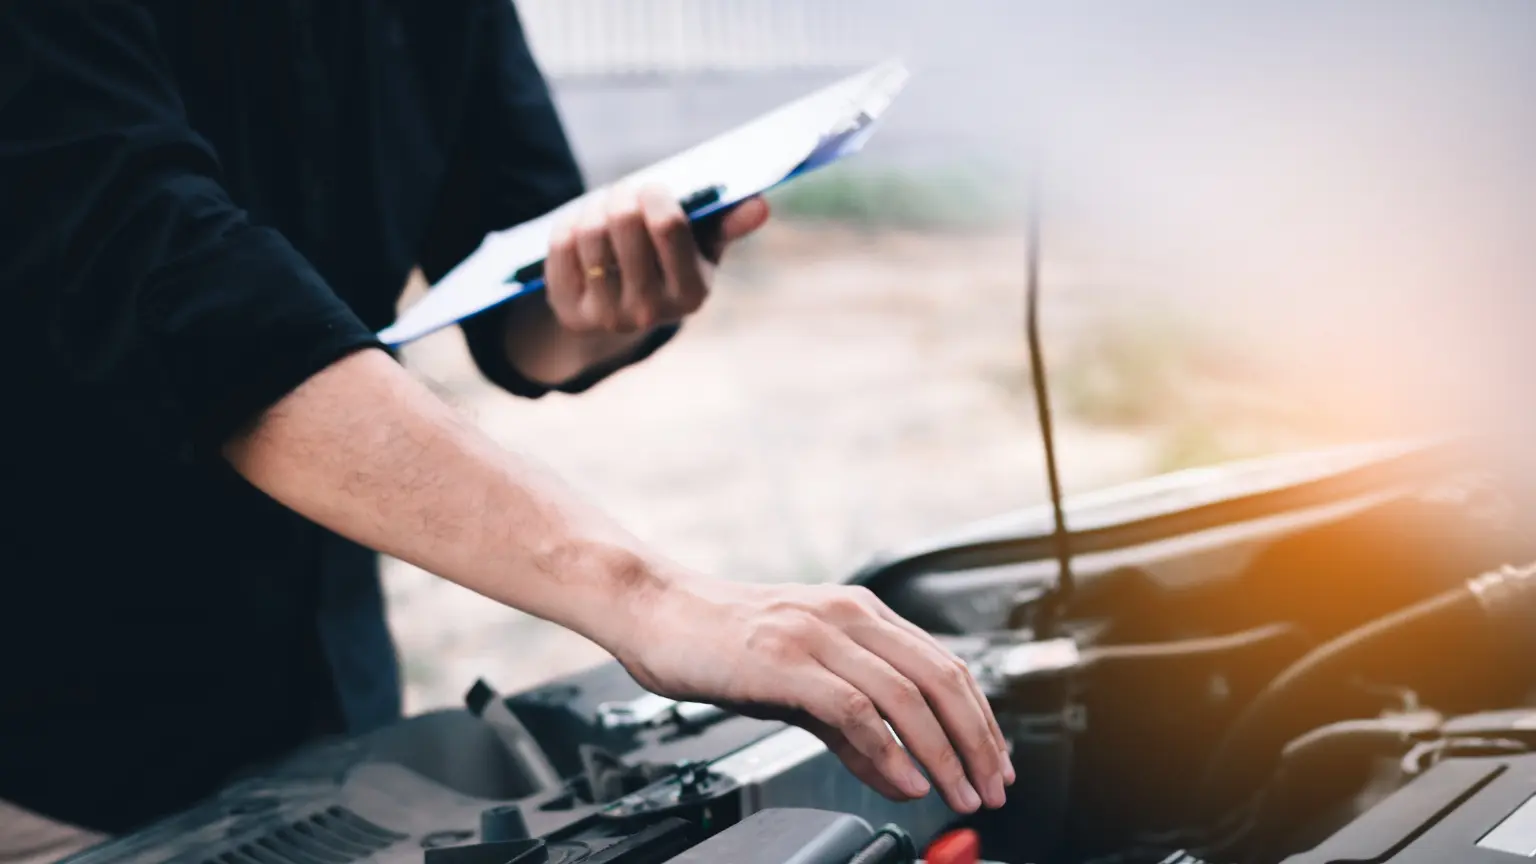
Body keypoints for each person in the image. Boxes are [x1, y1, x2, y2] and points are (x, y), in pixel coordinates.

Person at [0, 2, 1012, 857]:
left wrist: (616, 295)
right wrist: (648, 597)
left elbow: (519, 321)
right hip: (54, 747)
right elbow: (176, 293)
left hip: (332, 704)